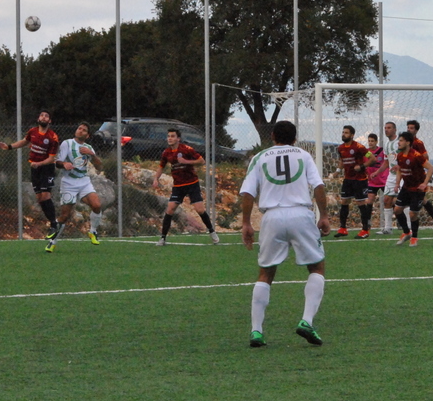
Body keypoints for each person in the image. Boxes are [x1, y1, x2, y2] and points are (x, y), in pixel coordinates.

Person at [239, 120, 330, 348]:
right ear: (295, 138)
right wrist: (324, 216)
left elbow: (248, 193)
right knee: (317, 267)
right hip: (301, 214)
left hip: (272, 217)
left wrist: (246, 223)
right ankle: (306, 321)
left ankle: (256, 332)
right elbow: (318, 187)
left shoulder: (259, 157)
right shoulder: (303, 155)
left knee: (266, 273)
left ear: (272, 136)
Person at [0, 111, 62, 238]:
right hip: (35, 168)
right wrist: (8, 147)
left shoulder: (52, 137)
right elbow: (24, 141)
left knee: (45, 195)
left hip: (46, 168)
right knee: (39, 198)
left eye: (46, 116)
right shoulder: (32, 131)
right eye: (42, 115)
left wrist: (39, 163)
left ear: (49, 121)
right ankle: (53, 223)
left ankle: (54, 225)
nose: (43, 117)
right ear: (38, 119)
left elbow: (51, 158)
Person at [154, 127, 218, 246]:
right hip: (178, 185)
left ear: (178, 139)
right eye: (168, 136)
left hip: (192, 183)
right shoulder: (166, 152)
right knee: (170, 209)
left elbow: (201, 161)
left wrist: (186, 162)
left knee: (199, 209)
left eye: (172, 136)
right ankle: (162, 238)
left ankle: (212, 232)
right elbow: (161, 166)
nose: (170, 138)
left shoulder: (186, 149)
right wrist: (156, 179)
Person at [46, 123, 104, 252]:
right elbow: (57, 162)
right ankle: (52, 242)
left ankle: (93, 231)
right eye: (79, 128)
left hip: (84, 182)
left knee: (97, 205)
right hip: (68, 183)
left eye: (84, 130)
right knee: (65, 215)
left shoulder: (88, 148)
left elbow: (100, 167)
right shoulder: (67, 143)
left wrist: (92, 155)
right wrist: (64, 164)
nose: (80, 131)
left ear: (87, 135)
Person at [393, 130, 433, 247]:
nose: (399, 143)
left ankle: (414, 237)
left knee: (412, 214)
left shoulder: (416, 156)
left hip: (417, 189)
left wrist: (425, 183)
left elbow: (431, 168)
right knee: (397, 210)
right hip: (406, 187)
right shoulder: (400, 155)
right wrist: (397, 184)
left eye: (401, 141)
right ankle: (407, 232)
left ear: (408, 142)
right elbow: (400, 170)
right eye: (399, 140)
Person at [334, 125, 370, 237]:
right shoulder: (340, 148)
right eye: (343, 132)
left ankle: (365, 230)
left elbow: (372, 158)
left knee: (361, 203)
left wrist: (362, 166)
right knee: (344, 202)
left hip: (360, 179)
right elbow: (342, 160)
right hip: (348, 179)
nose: (343, 134)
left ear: (352, 135)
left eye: (346, 133)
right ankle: (343, 229)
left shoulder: (359, 147)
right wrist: (338, 171)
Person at [406, 119, 433, 229]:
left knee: (420, 199)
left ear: (416, 130)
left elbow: (425, 157)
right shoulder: (404, 142)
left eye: (411, 128)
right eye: (408, 127)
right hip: (406, 175)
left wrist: (424, 170)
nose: (409, 129)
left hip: (417, 175)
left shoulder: (418, 143)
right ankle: (405, 221)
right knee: (404, 197)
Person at [362, 132, 387, 237]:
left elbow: (387, 162)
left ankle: (398, 220)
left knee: (390, 200)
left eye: (372, 141)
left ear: (376, 142)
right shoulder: (367, 153)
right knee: (369, 200)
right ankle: (368, 222)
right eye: (369, 141)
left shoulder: (382, 151)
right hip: (372, 181)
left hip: (383, 180)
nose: (370, 143)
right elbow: (364, 164)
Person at [380, 121, 399, 234]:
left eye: (389, 128)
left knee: (403, 202)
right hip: (391, 176)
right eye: (385, 128)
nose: (386, 130)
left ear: (395, 129)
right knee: (386, 200)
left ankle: (408, 227)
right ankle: (388, 228)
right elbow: (386, 162)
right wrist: (377, 172)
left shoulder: (399, 142)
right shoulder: (386, 144)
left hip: (402, 176)